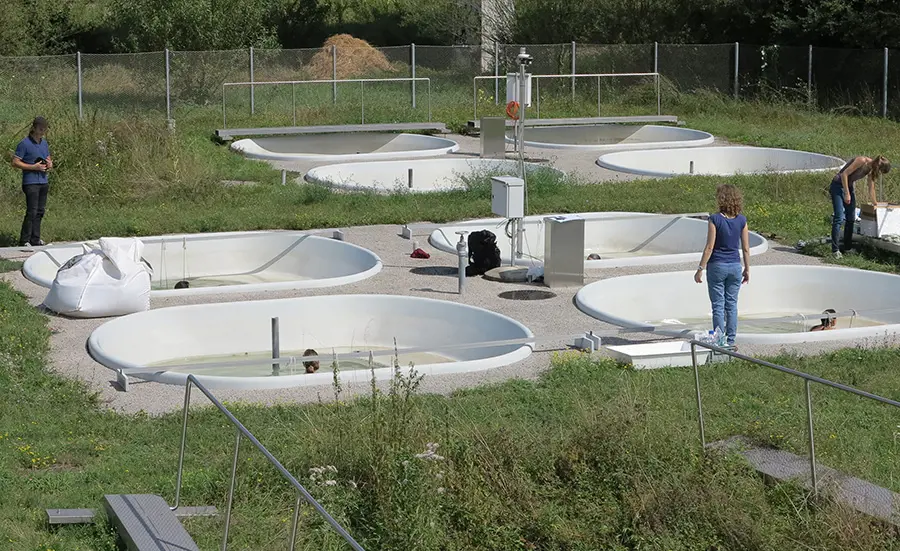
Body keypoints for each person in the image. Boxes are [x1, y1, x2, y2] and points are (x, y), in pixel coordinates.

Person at [694, 184, 751, 347]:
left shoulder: (715, 219)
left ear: (721, 199)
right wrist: (747, 268)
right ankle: (731, 340)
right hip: (734, 265)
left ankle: (720, 341)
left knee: (718, 306)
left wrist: (700, 269)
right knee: (731, 305)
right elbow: (745, 248)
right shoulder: (742, 220)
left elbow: (709, 247)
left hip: (717, 265)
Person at [830, 155, 891, 258]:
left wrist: (876, 204)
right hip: (838, 186)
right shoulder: (862, 160)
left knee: (851, 218)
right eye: (880, 171)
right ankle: (835, 250)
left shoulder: (871, 170)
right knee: (839, 217)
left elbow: (871, 188)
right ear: (878, 166)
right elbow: (844, 174)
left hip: (848, 187)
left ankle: (847, 247)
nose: (879, 173)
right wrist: (847, 193)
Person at [11, 117, 53, 247]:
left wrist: (49, 163)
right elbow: (15, 162)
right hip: (31, 182)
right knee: (32, 211)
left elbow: (48, 157)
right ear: (34, 128)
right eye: (40, 129)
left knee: (40, 211)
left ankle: (36, 239)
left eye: (44, 129)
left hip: (43, 180)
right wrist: (33, 167)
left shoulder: (44, 143)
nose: (42, 132)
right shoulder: (24, 144)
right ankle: (24, 240)